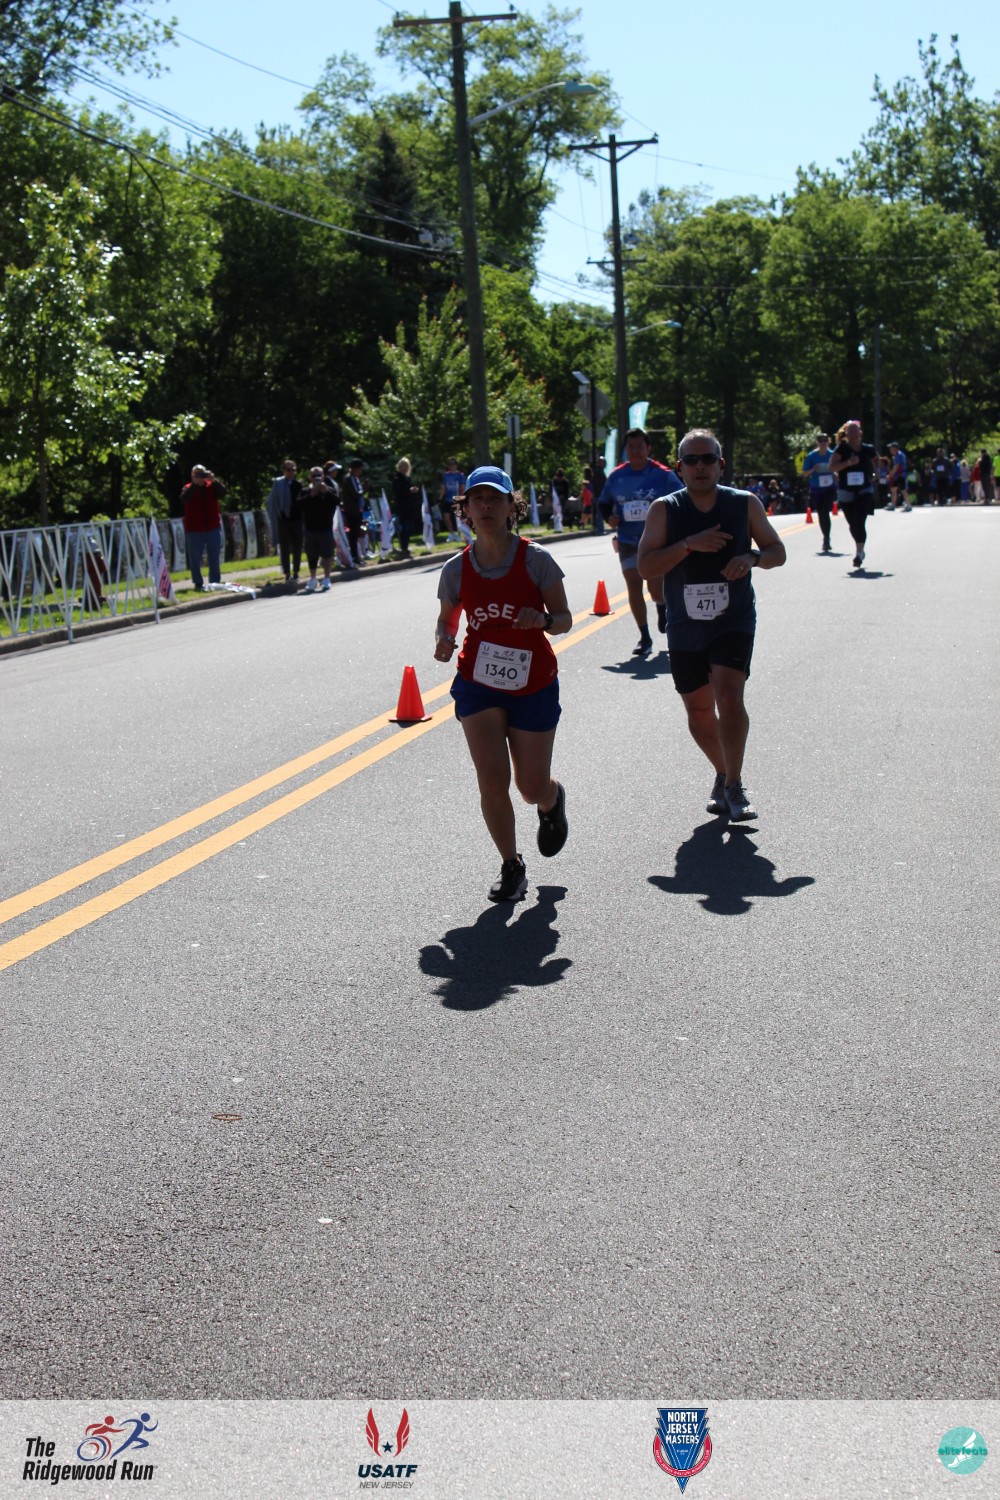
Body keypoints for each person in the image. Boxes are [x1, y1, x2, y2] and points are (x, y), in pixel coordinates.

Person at [433, 465, 572, 903]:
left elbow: (565, 619)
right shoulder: (456, 569)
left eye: (495, 498)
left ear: (512, 506)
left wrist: (543, 620)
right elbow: (447, 619)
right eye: (478, 499)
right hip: (479, 681)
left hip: (533, 682)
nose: (486, 506)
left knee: (529, 787)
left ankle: (551, 799)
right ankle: (511, 864)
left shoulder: (536, 560)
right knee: (492, 780)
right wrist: (443, 638)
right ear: (466, 510)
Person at [637, 427, 786, 822]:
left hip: (733, 618)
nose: (700, 466)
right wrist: (689, 544)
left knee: (729, 696)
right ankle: (722, 772)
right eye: (691, 460)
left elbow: (778, 552)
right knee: (699, 711)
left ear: (721, 465)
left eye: (707, 459)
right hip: (685, 623)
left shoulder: (744, 503)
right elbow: (646, 566)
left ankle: (734, 784)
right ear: (679, 468)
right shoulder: (665, 509)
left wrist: (752, 559)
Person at [599, 427, 683, 655]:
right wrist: (610, 518)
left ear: (648, 449)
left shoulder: (663, 475)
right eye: (631, 447)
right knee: (633, 583)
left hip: (656, 540)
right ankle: (645, 637)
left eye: (640, 447)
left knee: (655, 588)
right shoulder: (616, 476)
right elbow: (604, 502)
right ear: (625, 450)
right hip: (628, 539)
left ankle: (661, 606)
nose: (635, 451)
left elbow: (682, 498)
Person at [828, 419, 878, 569]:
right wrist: (848, 463)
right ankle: (860, 547)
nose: (854, 434)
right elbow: (831, 467)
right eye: (851, 431)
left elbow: (877, 460)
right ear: (846, 434)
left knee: (860, 521)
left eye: (856, 431)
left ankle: (859, 552)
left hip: (864, 489)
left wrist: (876, 472)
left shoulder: (868, 449)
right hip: (846, 490)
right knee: (853, 524)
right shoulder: (841, 449)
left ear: (860, 433)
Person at [180, 464, 227, 590]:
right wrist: (195, 485)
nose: (200, 477)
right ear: (192, 476)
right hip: (194, 529)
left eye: (202, 474)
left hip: (212, 527)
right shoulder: (188, 488)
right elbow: (183, 499)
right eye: (197, 474)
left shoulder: (211, 486)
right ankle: (198, 582)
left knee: (214, 556)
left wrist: (214, 480)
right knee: (195, 558)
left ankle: (215, 581)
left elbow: (223, 493)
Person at [266, 458, 304, 585]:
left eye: (293, 469)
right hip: (283, 520)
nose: (291, 472)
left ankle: (296, 571)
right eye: (288, 469)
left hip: (296, 520)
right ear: (284, 471)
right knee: (285, 547)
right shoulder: (278, 484)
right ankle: (287, 573)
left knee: (297, 546)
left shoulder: (298, 485)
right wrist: (278, 514)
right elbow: (272, 502)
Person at [300, 467, 337, 591]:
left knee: (327, 554)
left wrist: (326, 492)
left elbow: (337, 501)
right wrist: (311, 494)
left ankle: (326, 578)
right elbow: (300, 504)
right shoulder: (305, 491)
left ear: (323, 476)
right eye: (314, 476)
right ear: (310, 477)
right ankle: (313, 578)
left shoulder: (329, 490)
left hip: (325, 528)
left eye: (319, 475)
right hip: (310, 528)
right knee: (312, 555)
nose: (317, 478)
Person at [801, 432, 837, 550]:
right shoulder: (811, 456)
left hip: (829, 488)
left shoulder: (833, 454)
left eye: (825, 440)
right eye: (820, 440)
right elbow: (805, 473)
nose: (823, 443)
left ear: (829, 442)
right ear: (817, 442)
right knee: (821, 513)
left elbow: (839, 468)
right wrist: (814, 469)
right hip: (816, 489)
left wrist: (835, 473)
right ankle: (825, 536)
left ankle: (827, 539)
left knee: (826, 512)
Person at [340, 459, 367, 567]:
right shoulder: (349, 479)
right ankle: (354, 557)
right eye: (360, 468)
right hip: (352, 511)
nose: (361, 470)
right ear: (355, 468)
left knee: (356, 534)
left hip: (357, 510)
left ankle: (357, 556)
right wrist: (364, 489)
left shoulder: (355, 478)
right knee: (353, 535)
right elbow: (355, 494)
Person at [392, 457, 420, 558]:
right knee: (404, 528)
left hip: (409, 507)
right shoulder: (397, 479)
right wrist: (409, 491)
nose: (405, 468)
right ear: (399, 467)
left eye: (407, 466)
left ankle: (405, 547)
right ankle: (403, 547)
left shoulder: (407, 478)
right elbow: (399, 493)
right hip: (402, 508)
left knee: (408, 528)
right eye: (403, 466)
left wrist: (413, 491)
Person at [439, 457, 465, 537]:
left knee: (459, 518)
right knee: (446, 518)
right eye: (450, 464)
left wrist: (463, 498)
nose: (452, 466)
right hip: (447, 499)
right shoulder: (445, 476)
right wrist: (440, 498)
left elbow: (463, 487)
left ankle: (460, 534)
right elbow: (443, 488)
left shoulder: (460, 475)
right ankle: (452, 533)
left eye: (453, 464)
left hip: (458, 499)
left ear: (456, 465)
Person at [885, 442, 911, 512]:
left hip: (901, 475)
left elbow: (896, 467)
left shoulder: (899, 455)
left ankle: (908, 505)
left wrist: (890, 475)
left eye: (891, 448)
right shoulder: (896, 456)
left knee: (903, 490)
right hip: (897, 476)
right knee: (893, 489)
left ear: (895, 448)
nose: (890, 450)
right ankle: (893, 505)